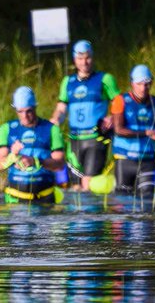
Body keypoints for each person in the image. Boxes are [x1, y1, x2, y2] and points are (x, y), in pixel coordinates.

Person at [50, 40, 120, 191]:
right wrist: (55, 119)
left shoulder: (104, 79)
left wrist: (112, 117)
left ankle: (91, 214)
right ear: (75, 60)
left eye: (87, 58)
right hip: (74, 141)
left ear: (92, 58)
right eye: (80, 59)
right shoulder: (68, 82)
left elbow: (120, 103)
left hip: (95, 139)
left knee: (88, 184)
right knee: (75, 186)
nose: (84, 62)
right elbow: (62, 106)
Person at [109, 64, 155, 197]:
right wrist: (146, 133)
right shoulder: (120, 101)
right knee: (123, 199)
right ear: (132, 83)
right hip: (125, 159)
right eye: (139, 84)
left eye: (147, 84)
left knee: (148, 198)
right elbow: (118, 130)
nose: (143, 88)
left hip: (147, 160)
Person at [0, 86, 66, 203]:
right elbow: (1, 165)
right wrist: (13, 156)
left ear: (35, 107)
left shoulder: (52, 129)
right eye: (20, 111)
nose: (25, 116)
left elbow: (59, 164)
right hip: (15, 200)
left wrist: (36, 162)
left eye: (29, 111)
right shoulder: (6, 129)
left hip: (44, 198)